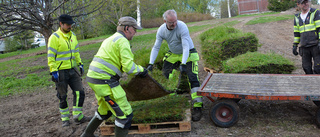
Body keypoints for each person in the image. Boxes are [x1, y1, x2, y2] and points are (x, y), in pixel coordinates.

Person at [80, 16, 147, 137]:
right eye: (134, 29)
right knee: (125, 115)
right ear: (127, 28)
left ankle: (87, 134)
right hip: (105, 81)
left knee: (104, 111)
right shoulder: (123, 41)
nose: (135, 32)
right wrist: (142, 70)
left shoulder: (111, 38)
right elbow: (129, 68)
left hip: (93, 79)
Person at [146, 9, 203, 121]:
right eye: (171, 22)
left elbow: (186, 46)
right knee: (165, 75)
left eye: (175, 21)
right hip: (173, 54)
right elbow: (156, 47)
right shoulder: (161, 30)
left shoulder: (182, 26)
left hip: (188, 52)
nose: (174, 24)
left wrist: (183, 63)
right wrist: (150, 63)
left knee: (192, 77)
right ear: (165, 21)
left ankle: (198, 106)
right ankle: (171, 101)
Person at [47, 14, 91, 127]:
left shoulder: (73, 35)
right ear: (61, 24)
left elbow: (76, 51)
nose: (70, 26)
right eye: (67, 24)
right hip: (60, 71)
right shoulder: (54, 37)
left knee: (80, 92)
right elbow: (51, 56)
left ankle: (78, 116)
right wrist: (54, 71)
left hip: (72, 69)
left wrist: (80, 63)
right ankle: (65, 119)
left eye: (71, 24)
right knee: (62, 96)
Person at [293, 0, 320, 74]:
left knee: (318, 68)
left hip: (315, 45)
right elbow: (297, 33)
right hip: (304, 46)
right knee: (306, 68)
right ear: (298, 4)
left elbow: (319, 28)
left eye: (307, 2)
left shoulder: (315, 13)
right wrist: (295, 45)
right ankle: (310, 84)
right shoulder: (297, 17)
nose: (306, 4)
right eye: (303, 3)